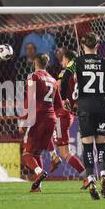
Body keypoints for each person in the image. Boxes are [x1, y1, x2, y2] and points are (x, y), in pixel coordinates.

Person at [68, 32, 105, 199]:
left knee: (88, 145)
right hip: (102, 106)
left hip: (85, 107)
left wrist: (63, 98)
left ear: (83, 46)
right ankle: (104, 175)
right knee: (102, 145)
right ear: (98, 46)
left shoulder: (76, 61)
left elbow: (64, 79)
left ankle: (91, 180)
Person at [19, 53, 62, 192]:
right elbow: (59, 105)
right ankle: (38, 186)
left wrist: (23, 120)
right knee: (36, 154)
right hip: (51, 119)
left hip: (38, 118)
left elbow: (29, 99)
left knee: (26, 155)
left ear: (34, 63)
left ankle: (39, 172)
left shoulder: (33, 76)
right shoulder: (53, 80)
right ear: (46, 64)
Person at [49, 48, 88, 189]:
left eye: (63, 60)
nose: (62, 62)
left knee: (64, 152)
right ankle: (54, 156)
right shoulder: (82, 73)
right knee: (47, 131)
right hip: (70, 114)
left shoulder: (65, 72)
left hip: (61, 114)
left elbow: (58, 87)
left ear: (67, 59)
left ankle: (86, 177)